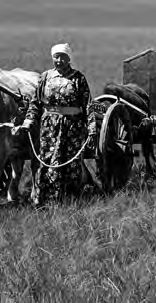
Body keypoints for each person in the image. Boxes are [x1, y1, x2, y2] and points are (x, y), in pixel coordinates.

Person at [17, 43, 95, 207]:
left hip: (72, 126)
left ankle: (71, 199)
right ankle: (46, 199)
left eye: (62, 57)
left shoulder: (78, 78)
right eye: (56, 57)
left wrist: (92, 128)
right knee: (48, 159)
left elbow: (88, 104)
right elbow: (36, 102)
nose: (59, 60)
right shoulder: (45, 77)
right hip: (49, 127)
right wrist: (29, 120)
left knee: (71, 161)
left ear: (69, 58)